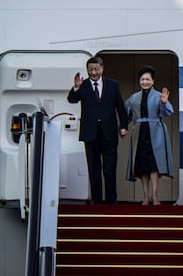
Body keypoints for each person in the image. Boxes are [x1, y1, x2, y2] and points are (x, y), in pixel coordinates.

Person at [67, 57, 128, 204]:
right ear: (87, 70)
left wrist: (123, 126)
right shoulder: (83, 85)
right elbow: (72, 99)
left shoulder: (113, 85)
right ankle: (96, 201)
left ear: (102, 68)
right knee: (94, 168)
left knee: (110, 167)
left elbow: (120, 106)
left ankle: (111, 201)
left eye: (96, 69)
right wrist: (76, 87)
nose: (93, 72)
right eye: (90, 69)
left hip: (109, 132)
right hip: (90, 133)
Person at [124, 65, 174, 205]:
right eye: (142, 79)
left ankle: (155, 195)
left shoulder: (159, 96)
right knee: (142, 166)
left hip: (156, 132)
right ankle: (146, 196)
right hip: (139, 132)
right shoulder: (134, 98)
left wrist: (164, 103)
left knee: (154, 165)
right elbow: (125, 114)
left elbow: (167, 112)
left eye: (147, 79)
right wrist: (123, 128)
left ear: (153, 81)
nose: (144, 82)